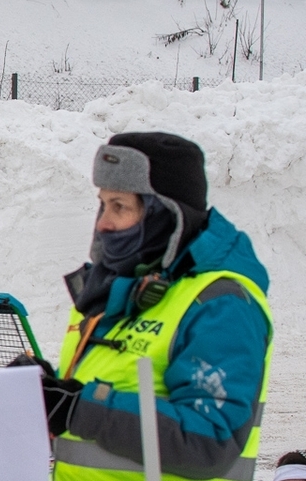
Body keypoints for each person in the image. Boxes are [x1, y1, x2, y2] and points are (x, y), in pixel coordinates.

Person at [42, 132, 272, 481]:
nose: (103, 223)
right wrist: (46, 389)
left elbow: (209, 440)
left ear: (165, 216)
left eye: (119, 206)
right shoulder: (114, 295)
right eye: (102, 205)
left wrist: (77, 408)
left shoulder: (219, 304)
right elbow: (109, 390)